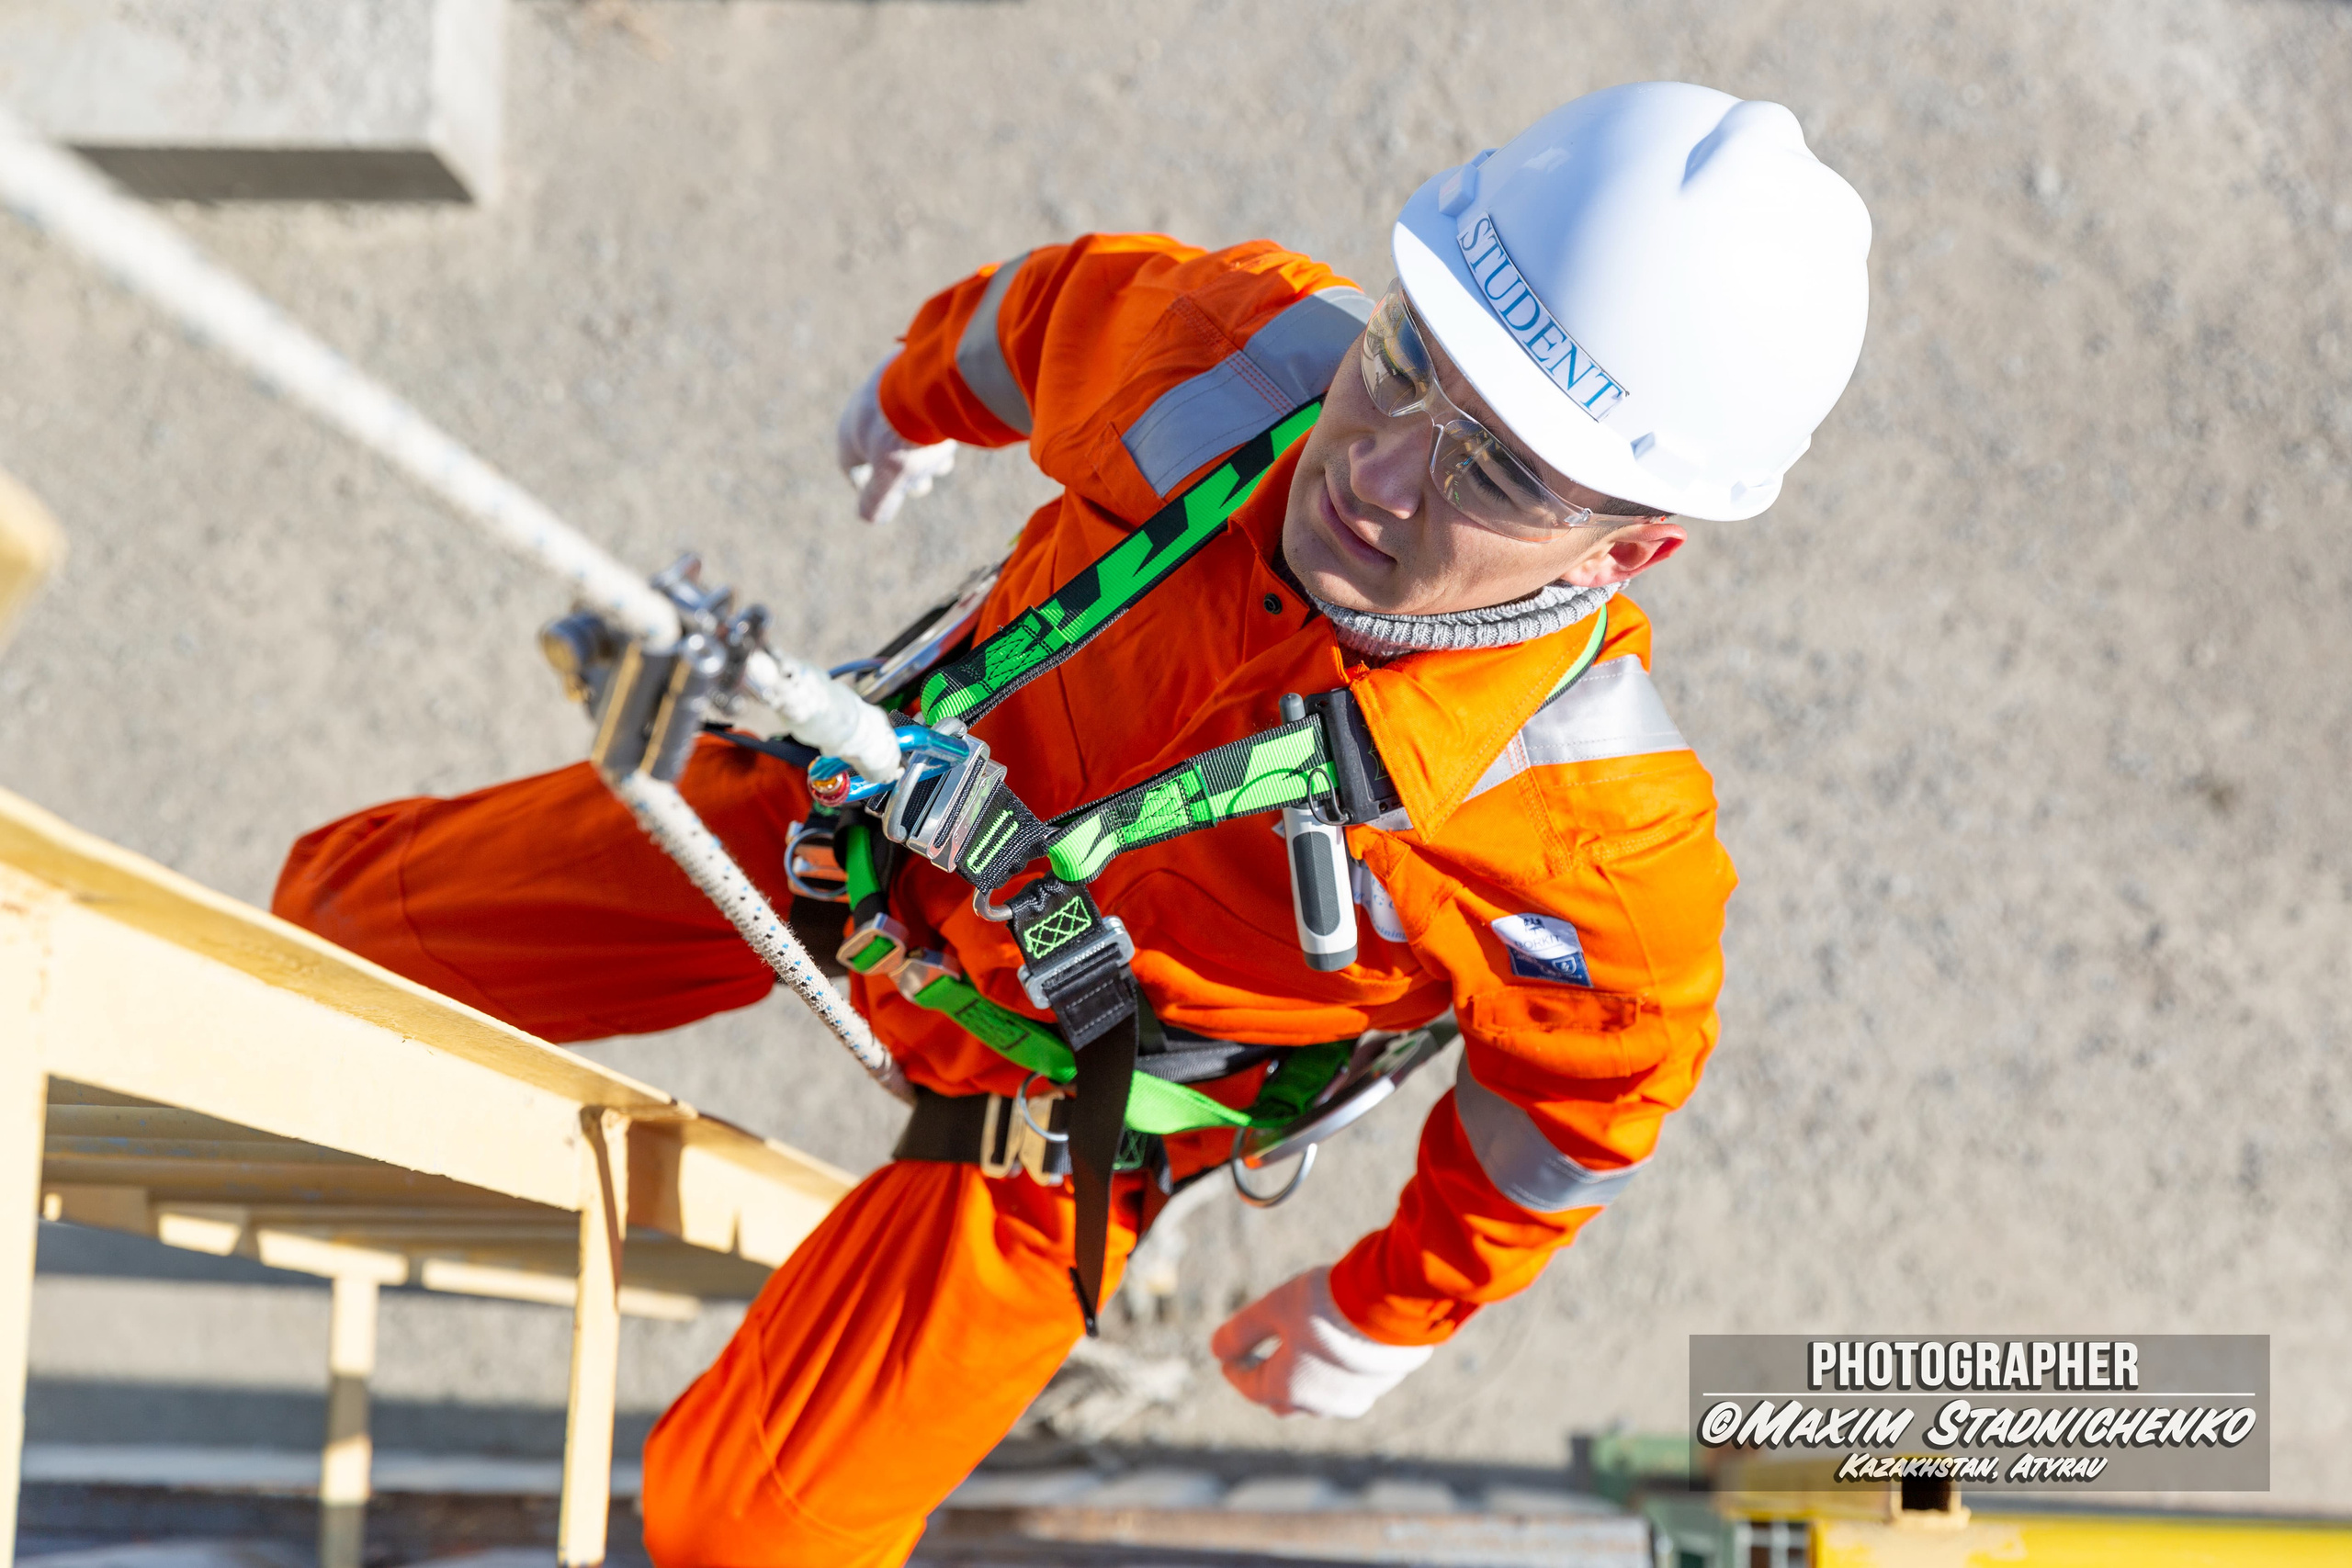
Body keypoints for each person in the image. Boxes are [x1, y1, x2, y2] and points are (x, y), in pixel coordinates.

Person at [273, 82, 1869, 1566]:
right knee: (335, 936)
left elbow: (1580, 1107)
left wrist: (1388, 1307)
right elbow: (1037, 317)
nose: (1376, 472)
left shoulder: (1586, 840)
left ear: (1629, 553)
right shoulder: (1231, 357)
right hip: (870, 826)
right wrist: (912, 395)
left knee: (745, 1532)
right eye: (1404, 360)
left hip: (1072, 1109)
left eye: (1500, 474)